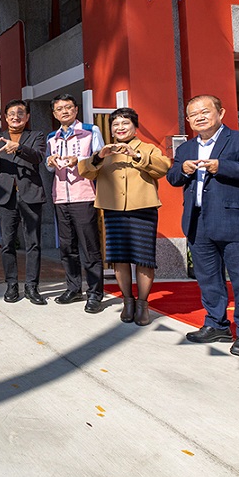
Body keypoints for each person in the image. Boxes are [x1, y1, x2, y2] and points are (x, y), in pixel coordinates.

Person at [167, 95, 239, 357]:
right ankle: (217, 324)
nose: (199, 117)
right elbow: (172, 178)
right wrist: (184, 170)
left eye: (205, 111)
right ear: (188, 120)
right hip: (198, 221)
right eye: (193, 115)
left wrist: (222, 166)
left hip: (235, 221)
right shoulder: (186, 149)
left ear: (221, 113)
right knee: (208, 279)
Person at [80, 107, 171, 325]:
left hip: (143, 209)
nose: (120, 128)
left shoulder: (148, 148)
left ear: (135, 127)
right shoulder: (105, 152)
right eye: (116, 124)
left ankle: (142, 304)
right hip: (114, 210)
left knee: (144, 259)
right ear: (111, 129)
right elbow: (84, 170)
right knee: (119, 258)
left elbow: (163, 167)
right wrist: (99, 157)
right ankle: (127, 301)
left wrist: (136, 155)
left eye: (125, 123)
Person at [45, 94, 106, 313]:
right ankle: (73, 288)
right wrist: (50, 161)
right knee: (67, 247)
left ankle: (95, 293)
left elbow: (101, 159)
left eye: (68, 107)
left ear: (76, 109)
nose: (64, 111)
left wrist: (79, 161)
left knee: (89, 247)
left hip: (84, 195)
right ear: (54, 114)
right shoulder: (52, 137)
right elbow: (49, 167)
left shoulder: (90, 131)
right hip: (60, 197)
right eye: (59, 109)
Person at [0, 99, 47, 305]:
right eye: (11, 114)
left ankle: (32, 287)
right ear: (5, 117)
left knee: (33, 243)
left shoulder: (36, 136)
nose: (15, 117)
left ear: (27, 116)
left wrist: (19, 148)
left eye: (20, 113)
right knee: (7, 243)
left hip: (31, 194)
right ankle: (11, 285)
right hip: (7, 196)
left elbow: (38, 157)